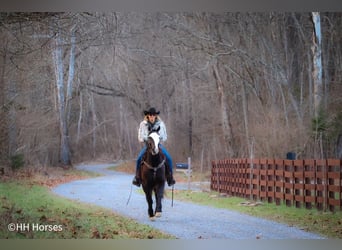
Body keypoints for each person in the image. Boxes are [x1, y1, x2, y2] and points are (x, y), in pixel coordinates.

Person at [133, 107, 176, 187]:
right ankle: (137, 178)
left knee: (169, 158)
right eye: (150, 115)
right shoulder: (143, 124)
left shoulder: (161, 124)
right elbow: (140, 137)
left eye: (153, 115)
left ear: (156, 116)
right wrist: (148, 138)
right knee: (139, 158)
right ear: (148, 116)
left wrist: (158, 137)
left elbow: (165, 136)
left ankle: (170, 178)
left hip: (158, 145)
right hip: (148, 146)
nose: (152, 117)